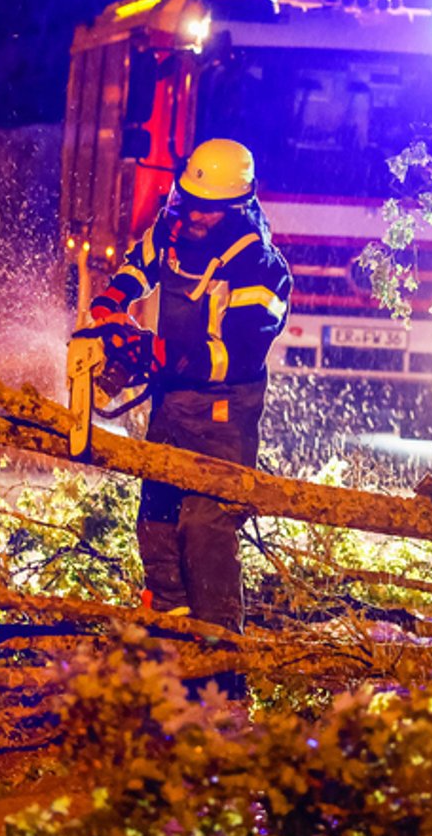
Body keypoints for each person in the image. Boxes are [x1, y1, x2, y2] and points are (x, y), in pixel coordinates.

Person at [85, 138, 293, 633]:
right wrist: (113, 301)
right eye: (190, 204)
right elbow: (142, 261)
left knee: (204, 528)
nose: (195, 217)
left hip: (223, 415)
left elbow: (235, 355)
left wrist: (160, 354)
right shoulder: (174, 228)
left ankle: (220, 656)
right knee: (157, 521)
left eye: (208, 211)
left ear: (239, 206)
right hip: (172, 403)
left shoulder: (259, 269)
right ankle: (166, 638)